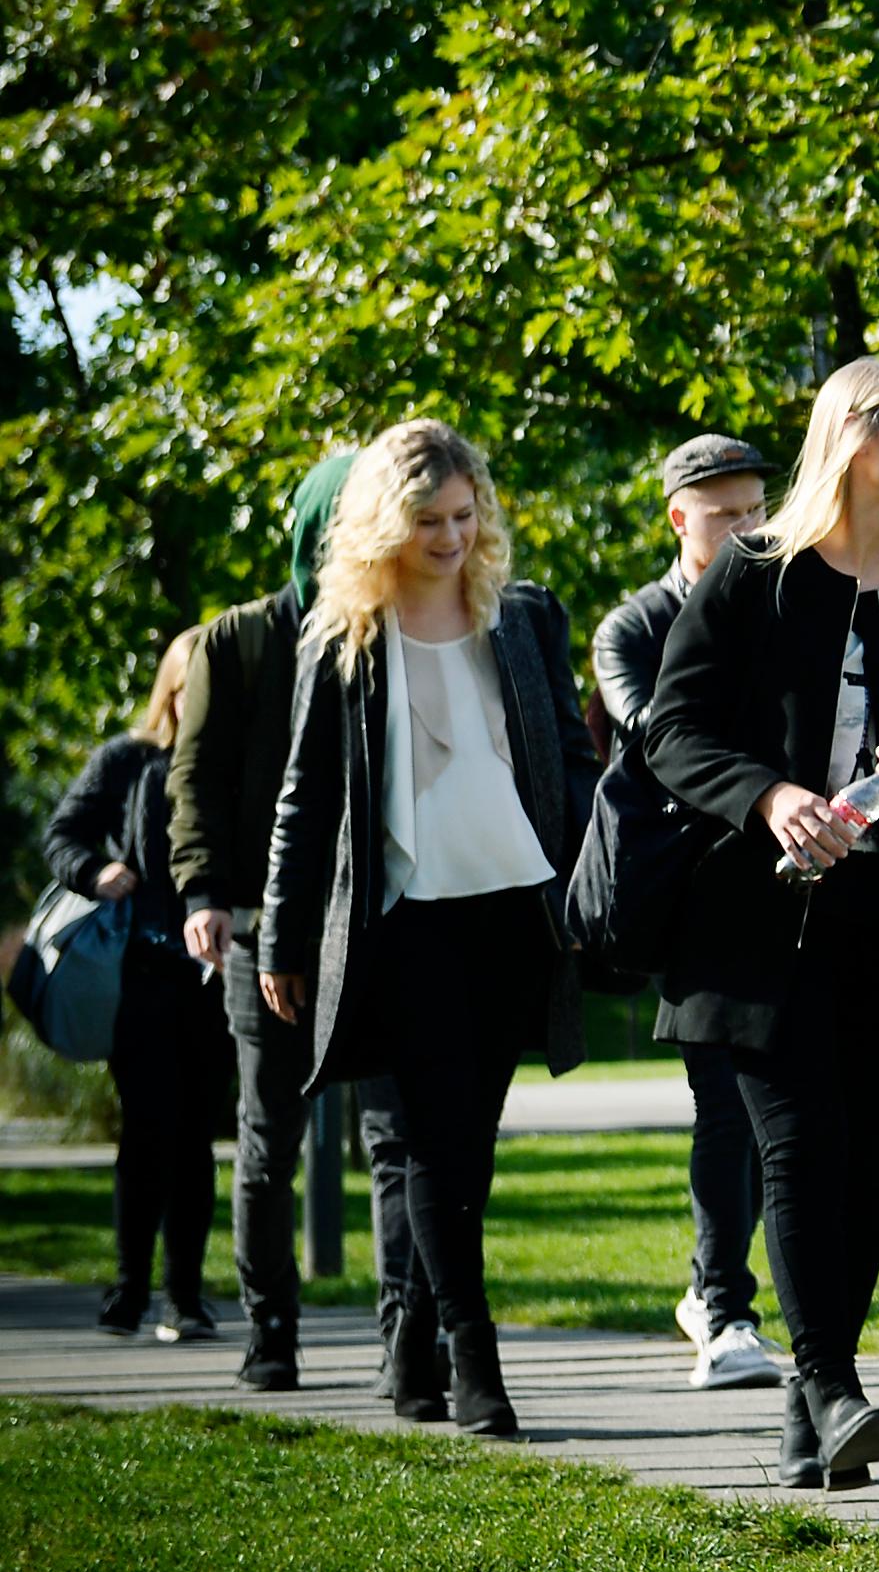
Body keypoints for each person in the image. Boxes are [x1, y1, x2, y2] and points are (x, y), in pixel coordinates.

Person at [645, 358, 879, 1490]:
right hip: (760, 930)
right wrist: (770, 795)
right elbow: (674, 727)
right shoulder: (756, 574)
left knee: (869, 1163)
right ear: (857, 435)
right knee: (801, 1153)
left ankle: (818, 1408)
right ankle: (836, 1387)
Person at [256, 421, 596, 1440]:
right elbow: (304, 797)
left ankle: (410, 1340)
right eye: (429, 520)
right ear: (382, 521)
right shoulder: (344, 634)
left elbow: (572, 765)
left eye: (465, 516)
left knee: (463, 1152)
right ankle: (474, 1358)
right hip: (396, 927)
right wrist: (280, 936)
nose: (452, 537)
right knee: (431, 1152)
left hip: (509, 915)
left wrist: (589, 878)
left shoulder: (524, 617)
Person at [591, 433, 785, 1394]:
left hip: (785, 879)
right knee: (726, 1104)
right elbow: (662, 734)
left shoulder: (791, 596)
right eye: (726, 514)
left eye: (757, 509)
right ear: (680, 518)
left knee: (771, 1111)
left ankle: (726, 1292)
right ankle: (723, 1305)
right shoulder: (634, 626)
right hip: (689, 892)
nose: (749, 528)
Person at [168, 449, 356, 1390]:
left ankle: (420, 1335)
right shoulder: (235, 643)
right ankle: (269, 1330)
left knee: (402, 1137)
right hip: (256, 925)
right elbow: (192, 780)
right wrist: (202, 895)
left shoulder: (392, 633)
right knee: (266, 1136)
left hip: (370, 921)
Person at [44, 636, 225, 1341]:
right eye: (191, 687)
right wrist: (96, 872)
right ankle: (128, 1291)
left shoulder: (229, 765)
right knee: (148, 1130)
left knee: (195, 1140)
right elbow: (62, 835)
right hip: (141, 976)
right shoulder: (128, 760)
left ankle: (184, 1297)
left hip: (210, 981)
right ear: (171, 690)